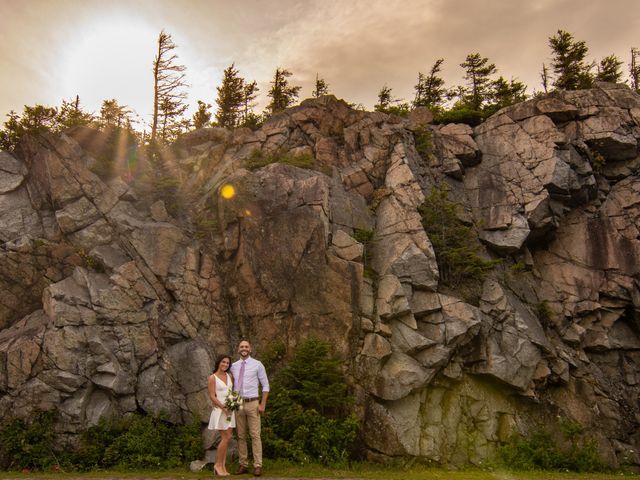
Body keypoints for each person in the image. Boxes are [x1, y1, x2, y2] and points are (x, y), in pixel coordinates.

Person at [230, 340, 269, 477]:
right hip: (238, 403)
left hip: (253, 403)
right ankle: (243, 464)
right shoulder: (233, 366)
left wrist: (262, 404)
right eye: (241, 346)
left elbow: (265, 385)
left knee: (255, 435)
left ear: (250, 349)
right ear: (238, 349)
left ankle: (258, 465)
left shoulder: (257, 365)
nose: (244, 348)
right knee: (240, 436)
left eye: (246, 346)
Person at [208, 355, 235, 476]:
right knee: (225, 438)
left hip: (230, 410)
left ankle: (222, 466)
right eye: (223, 362)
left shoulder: (229, 376)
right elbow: (212, 396)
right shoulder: (212, 378)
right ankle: (217, 465)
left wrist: (233, 404)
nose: (225, 364)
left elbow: (231, 393)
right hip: (220, 411)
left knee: (228, 437)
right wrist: (223, 407)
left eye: (228, 363)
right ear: (219, 363)